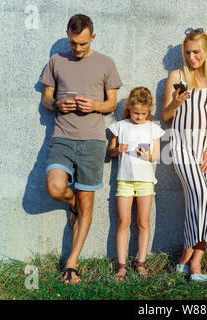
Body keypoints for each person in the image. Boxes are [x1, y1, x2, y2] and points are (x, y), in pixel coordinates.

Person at [40, 14, 122, 284]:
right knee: (54, 187)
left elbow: (111, 104)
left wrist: (94, 106)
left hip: (93, 141)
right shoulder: (56, 61)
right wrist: (57, 106)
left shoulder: (106, 63)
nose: (77, 48)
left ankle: (71, 265)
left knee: (88, 202)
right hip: (62, 137)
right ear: (68, 36)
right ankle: (72, 202)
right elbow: (47, 98)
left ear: (93, 38)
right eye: (74, 43)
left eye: (83, 44)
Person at [162, 28, 207, 282]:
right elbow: (166, 117)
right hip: (180, 146)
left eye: (196, 52)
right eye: (187, 52)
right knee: (201, 194)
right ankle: (192, 258)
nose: (191, 57)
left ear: (206, 52)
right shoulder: (176, 76)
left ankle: (191, 256)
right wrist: (176, 102)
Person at [108, 87, 165, 281]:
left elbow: (157, 156)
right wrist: (118, 150)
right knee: (123, 222)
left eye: (142, 113)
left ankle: (141, 263)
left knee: (143, 222)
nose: (139, 117)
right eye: (135, 112)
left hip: (145, 181)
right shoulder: (121, 126)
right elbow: (110, 152)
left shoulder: (153, 128)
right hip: (124, 180)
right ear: (129, 108)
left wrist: (147, 155)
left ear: (148, 111)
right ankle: (122, 266)